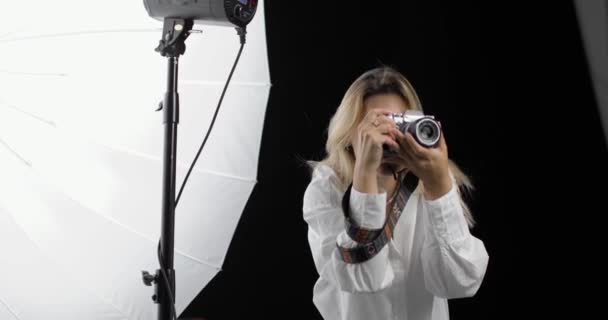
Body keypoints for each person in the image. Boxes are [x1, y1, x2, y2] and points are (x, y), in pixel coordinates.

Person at [302, 67, 489, 320]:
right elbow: (363, 279)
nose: (387, 141)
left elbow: (457, 283)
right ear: (349, 135)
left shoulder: (433, 182)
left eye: (399, 126)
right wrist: (365, 176)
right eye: (376, 127)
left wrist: (439, 187)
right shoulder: (327, 188)